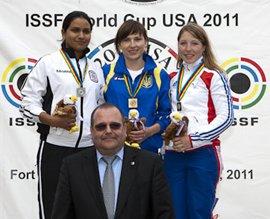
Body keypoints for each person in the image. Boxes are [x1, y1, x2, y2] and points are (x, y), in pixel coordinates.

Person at [20, 11, 104, 219]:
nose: (81, 35)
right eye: (75, 30)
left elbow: (100, 106)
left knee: (87, 211)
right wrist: (52, 120)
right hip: (55, 148)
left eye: (86, 31)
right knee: (54, 210)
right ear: (64, 32)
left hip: (89, 150)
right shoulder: (48, 63)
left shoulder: (95, 68)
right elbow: (27, 103)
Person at [51, 103, 175, 219]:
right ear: (92, 131)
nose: (108, 131)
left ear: (125, 128)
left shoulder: (150, 164)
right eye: (101, 126)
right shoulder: (72, 166)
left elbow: (164, 214)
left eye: (115, 125)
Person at [164, 22, 234, 219]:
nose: (188, 49)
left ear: (204, 46)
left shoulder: (214, 75)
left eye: (194, 43)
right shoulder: (171, 77)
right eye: (183, 43)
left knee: (199, 213)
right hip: (173, 154)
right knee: (175, 213)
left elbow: (227, 117)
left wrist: (193, 139)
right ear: (177, 46)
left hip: (202, 153)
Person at [102, 20, 171, 153]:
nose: (132, 45)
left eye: (137, 39)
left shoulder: (159, 74)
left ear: (145, 43)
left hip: (149, 148)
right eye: (127, 40)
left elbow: (167, 114)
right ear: (119, 45)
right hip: (114, 148)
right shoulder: (107, 72)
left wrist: (149, 131)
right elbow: (96, 108)